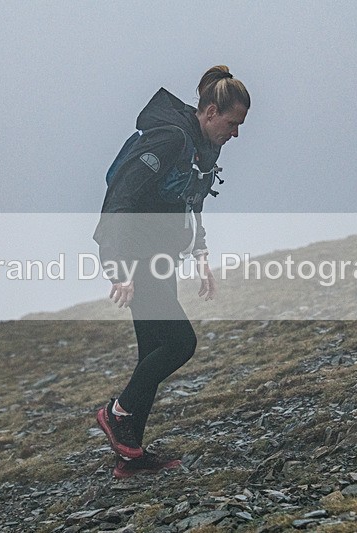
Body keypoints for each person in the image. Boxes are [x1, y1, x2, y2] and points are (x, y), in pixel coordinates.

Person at [93, 65, 250, 478]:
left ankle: (130, 457)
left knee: (153, 350)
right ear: (211, 112)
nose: (236, 134)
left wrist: (201, 257)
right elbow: (120, 198)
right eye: (232, 123)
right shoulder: (169, 139)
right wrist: (117, 266)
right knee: (181, 343)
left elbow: (192, 203)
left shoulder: (205, 148)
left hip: (161, 257)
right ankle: (116, 414)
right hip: (136, 255)